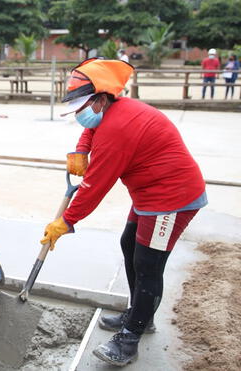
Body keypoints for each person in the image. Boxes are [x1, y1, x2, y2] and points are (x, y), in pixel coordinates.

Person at [41, 58, 207, 366]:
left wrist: (65, 222)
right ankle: (139, 313)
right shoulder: (111, 110)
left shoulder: (117, 131)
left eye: (82, 107)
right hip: (149, 193)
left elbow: (94, 188)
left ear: (101, 98)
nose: (80, 115)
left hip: (171, 198)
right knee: (128, 244)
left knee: (148, 264)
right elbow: (92, 130)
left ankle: (130, 339)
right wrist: (80, 149)